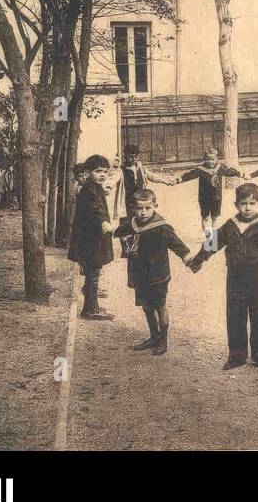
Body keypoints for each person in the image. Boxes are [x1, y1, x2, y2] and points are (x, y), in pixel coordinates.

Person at [186, 183, 258, 372]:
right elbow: (212, 242)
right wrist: (198, 260)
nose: (247, 208)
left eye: (252, 203)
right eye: (243, 203)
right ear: (236, 204)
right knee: (235, 315)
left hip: (257, 276)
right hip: (234, 276)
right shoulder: (230, 225)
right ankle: (237, 356)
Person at [113, 189, 191, 355]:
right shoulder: (131, 224)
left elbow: (178, 245)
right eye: (139, 208)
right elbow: (117, 232)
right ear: (133, 208)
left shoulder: (161, 228)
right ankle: (154, 337)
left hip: (158, 275)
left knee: (160, 306)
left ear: (155, 206)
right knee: (147, 306)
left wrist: (187, 258)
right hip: (139, 274)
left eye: (148, 208)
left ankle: (163, 341)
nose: (143, 212)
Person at [68, 154, 116, 321]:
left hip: (91, 238)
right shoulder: (90, 190)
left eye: (105, 171)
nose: (102, 175)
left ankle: (91, 304)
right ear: (88, 173)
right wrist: (103, 223)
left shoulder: (94, 187)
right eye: (98, 171)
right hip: (91, 239)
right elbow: (95, 210)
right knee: (93, 273)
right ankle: (90, 308)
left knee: (92, 272)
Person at [179, 147, 242, 237]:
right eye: (208, 159)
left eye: (213, 159)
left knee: (215, 218)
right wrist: (178, 180)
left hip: (216, 198)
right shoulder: (201, 169)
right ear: (205, 159)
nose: (210, 162)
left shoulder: (220, 168)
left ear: (217, 159)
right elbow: (189, 175)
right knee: (205, 218)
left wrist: (242, 174)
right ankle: (209, 238)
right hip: (204, 198)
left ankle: (214, 239)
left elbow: (230, 172)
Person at [114, 144, 175, 220]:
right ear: (125, 156)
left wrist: (165, 181)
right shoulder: (121, 171)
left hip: (141, 199)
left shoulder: (140, 167)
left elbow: (151, 176)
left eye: (136, 157)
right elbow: (113, 179)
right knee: (129, 220)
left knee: (144, 217)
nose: (133, 159)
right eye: (131, 157)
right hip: (129, 202)